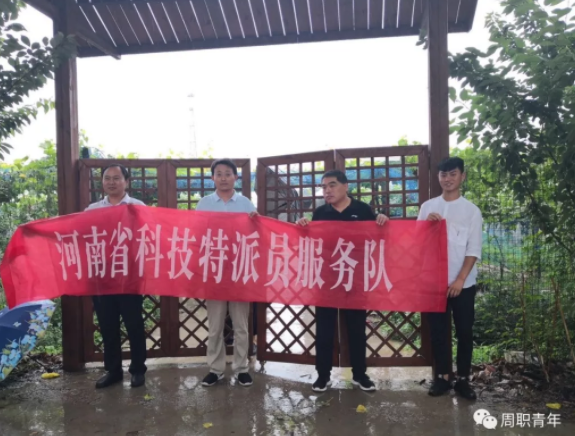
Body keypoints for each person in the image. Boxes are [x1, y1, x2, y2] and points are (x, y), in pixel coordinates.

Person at [296, 169, 388, 392]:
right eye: (324, 187)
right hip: (326, 279)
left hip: (354, 278)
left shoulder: (362, 210)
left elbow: (377, 238)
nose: (327, 190)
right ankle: (323, 376)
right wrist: (303, 228)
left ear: (346, 186)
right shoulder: (320, 213)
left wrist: (382, 221)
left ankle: (360, 375)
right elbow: (313, 243)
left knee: (356, 329)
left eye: (332, 185)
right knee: (324, 329)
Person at [419, 157, 483, 400]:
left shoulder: (471, 211)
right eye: (443, 174)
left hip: (463, 283)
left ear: (462, 176)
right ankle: (443, 377)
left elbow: (473, 249)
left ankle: (464, 380)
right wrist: (427, 227)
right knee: (438, 331)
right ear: (438, 178)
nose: (448, 179)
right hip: (433, 282)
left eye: (453, 174)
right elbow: (417, 243)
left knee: (464, 331)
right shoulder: (428, 207)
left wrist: (460, 279)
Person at [85, 164, 147, 389]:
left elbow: (149, 238)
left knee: (134, 325)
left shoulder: (138, 207)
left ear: (126, 182)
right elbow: (80, 238)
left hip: (130, 277)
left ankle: (138, 370)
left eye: (116, 178)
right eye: (107, 178)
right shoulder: (92, 210)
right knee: (107, 326)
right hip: (102, 278)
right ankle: (113, 371)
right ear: (102, 182)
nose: (111, 182)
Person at [196, 159, 258, 387]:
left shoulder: (245, 203)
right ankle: (216, 369)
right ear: (213, 178)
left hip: (239, 270)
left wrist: (255, 222)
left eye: (228, 173)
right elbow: (196, 233)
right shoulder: (204, 203)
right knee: (215, 326)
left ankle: (242, 369)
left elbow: (257, 234)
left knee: (241, 325)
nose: (223, 178)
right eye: (219, 174)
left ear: (235, 177)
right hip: (214, 270)